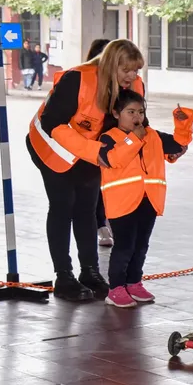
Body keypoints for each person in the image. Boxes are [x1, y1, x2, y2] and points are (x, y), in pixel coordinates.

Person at [26, 39, 145, 302]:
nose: (132, 76)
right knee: (62, 205)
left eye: (135, 70)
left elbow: (137, 123)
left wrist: (168, 146)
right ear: (111, 64)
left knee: (87, 208)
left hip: (91, 152)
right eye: (126, 70)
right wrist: (95, 153)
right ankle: (64, 276)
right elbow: (52, 122)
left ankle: (89, 271)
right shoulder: (77, 79)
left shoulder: (134, 87)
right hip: (51, 146)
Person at [98, 90, 193, 307]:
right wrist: (134, 140)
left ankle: (134, 282)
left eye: (140, 111)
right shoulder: (108, 138)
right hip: (121, 203)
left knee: (141, 245)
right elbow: (114, 160)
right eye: (130, 112)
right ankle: (116, 288)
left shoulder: (152, 135)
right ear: (116, 113)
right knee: (124, 246)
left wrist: (183, 125)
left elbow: (179, 145)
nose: (136, 117)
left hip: (148, 199)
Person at [82, 39, 117, 248]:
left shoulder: (124, 85)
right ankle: (99, 225)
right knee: (92, 189)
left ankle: (107, 222)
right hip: (86, 149)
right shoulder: (84, 83)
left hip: (112, 147)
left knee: (108, 188)